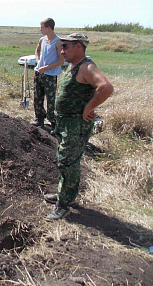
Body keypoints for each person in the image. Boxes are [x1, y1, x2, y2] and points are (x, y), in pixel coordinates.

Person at [45, 33, 113, 220]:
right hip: (66, 123)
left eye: (66, 46)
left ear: (78, 47)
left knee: (68, 162)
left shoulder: (87, 67)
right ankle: (64, 194)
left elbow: (106, 87)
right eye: (62, 46)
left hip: (76, 125)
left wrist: (89, 107)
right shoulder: (75, 66)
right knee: (65, 160)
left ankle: (64, 204)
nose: (62, 50)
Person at [32, 18, 64, 134]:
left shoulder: (58, 42)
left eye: (42, 27)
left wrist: (46, 67)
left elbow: (61, 61)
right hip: (39, 72)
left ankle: (52, 122)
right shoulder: (42, 40)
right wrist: (38, 60)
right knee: (37, 96)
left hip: (50, 75)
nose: (40, 29)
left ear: (49, 28)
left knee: (50, 100)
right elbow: (37, 51)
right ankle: (39, 119)